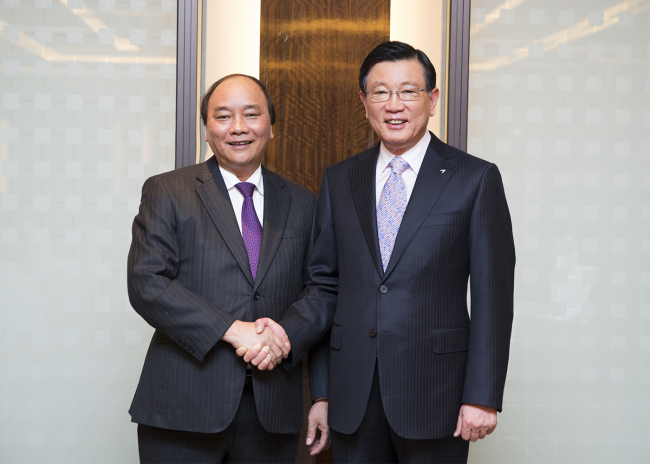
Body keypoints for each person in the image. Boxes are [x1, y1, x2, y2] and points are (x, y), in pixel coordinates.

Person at [245, 41, 515, 463]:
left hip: (438, 396)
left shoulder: (474, 178)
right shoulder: (340, 179)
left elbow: (492, 297)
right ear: (364, 102)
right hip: (354, 398)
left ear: (432, 100)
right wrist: (296, 355)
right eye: (380, 92)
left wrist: (482, 395)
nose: (395, 105)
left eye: (408, 91)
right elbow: (325, 284)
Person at [127, 74, 329, 463]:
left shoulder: (305, 203)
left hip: (274, 412)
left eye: (251, 114)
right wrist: (232, 330)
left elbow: (320, 293)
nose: (238, 127)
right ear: (207, 130)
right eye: (223, 116)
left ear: (271, 126)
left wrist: (321, 394)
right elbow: (147, 283)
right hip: (182, 407)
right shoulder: (168, 191)